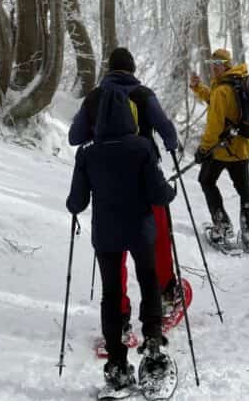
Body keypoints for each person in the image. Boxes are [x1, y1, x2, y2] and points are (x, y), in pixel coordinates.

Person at [66, 81, 176, 392]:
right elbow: (158, 193)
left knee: (112, 294)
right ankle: (153, 347)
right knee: (149, 280)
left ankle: (116, 363)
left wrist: (74, 205)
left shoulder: (88, 153)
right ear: (130, 116)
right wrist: (170, 191)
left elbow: (77, 202)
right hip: (140, 231)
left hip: (106, 235)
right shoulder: (141, 148)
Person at [69, 47, 182, 331]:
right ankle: (166, 293)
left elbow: (75, 137)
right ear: (132, 70)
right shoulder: (143, 94)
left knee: (113, 246)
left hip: (106, 180)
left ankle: (119, 314)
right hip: (145, 176)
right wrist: (170, 147)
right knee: (155, 239)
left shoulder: (95, 97)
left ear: (108, 70)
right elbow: (166, 129)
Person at [190, 47, 249, 248]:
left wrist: (203, 149)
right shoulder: (238, 82)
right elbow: (215, 101)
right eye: (211, 65)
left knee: (206, 180)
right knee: (244, 190)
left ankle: (222, 227)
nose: (213, 69)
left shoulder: (222, 90)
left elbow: (214, 125)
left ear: (225, 65)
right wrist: (198, 88)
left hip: (221, 150)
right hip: (241, 148)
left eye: (217, 65)